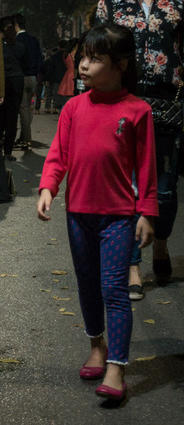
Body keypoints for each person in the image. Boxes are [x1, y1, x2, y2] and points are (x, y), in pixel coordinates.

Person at [37, 24, 156, 402]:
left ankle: (117, 368)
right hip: (78, 214)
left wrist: (146, 212)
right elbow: (59, 155)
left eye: (93, 59)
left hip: (119, 216)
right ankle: (96, 346)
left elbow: (146, 168)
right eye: (81, 57)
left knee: (114, 290)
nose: (82, 66)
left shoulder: (138, 111)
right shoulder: (73, 107)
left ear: (120, 64)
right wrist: (47, 188)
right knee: (87, 284)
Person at [94, 0, 183, 293]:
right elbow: (98, 56)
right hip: (124, 106)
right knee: (127, 188)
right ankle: (132, 264)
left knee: (163, 189)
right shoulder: (109, 5)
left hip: (169, 107)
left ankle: (159, 241)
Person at [0, 16, 24, 160]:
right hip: (17, 81)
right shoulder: (19, 44)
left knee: (0, 116)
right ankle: (8, 152)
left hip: (2, 82)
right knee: (12, 118)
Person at [12, 14, 42, 149]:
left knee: (23, 108)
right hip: (33, 78)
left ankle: (26, 139)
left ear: (16, 25)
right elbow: (40, 59)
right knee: (28, 108)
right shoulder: (34, 40)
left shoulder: (17, 40)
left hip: (22, 78)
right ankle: (24, 136)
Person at [56, 38, 77, 110]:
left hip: (67, 75)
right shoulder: (74, 54)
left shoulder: (66, 54)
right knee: (71, 97)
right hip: (73, 75)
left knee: (68, 97)